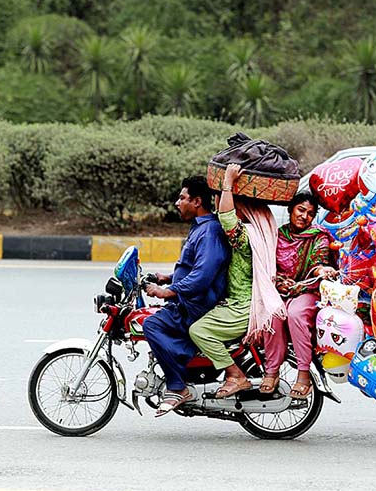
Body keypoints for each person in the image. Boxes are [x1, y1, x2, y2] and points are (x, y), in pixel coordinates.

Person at [189, 164, 285, 399]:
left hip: (242, 307)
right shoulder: (261, 233)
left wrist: (228, 183)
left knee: (198, 331)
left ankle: (235, 375)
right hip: (240, 302)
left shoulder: (246, 238)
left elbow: (226, 218)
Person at [142, 176, 230, 417]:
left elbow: (203, 275)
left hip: (197, 305)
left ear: (197, 201)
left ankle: (178, 386)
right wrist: (168, 277)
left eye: (182, 198)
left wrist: (168, 291)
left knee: (150, 324)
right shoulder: (201, 228)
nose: (177, 203)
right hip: (189, 300)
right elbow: (192, 268)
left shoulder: (209, 231)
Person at [259, 192, 336, 399]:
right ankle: (272, 371)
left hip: (308, 290)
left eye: (310, 214)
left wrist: (322, 271)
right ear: (290, 210)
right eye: (301, 210)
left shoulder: (318, 236)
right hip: (281, 290)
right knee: (273, 314)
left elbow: (318, 264)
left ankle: (304, 374)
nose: (304, 216)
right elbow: (269, 266)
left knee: (295, 313)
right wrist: (280, 283)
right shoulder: (277, 236)